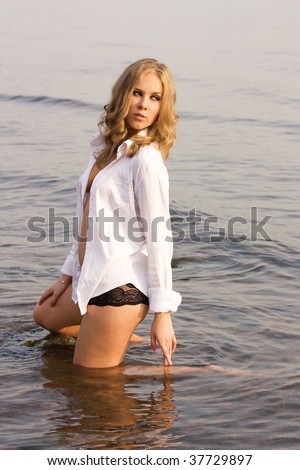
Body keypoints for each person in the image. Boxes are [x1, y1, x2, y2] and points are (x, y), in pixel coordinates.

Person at [33, 58, 182, 369]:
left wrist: (163, 315)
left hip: (119, 289)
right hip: (91, 276)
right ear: (122, 95)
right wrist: (66, 276)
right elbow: (86, 220)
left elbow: (159, 238)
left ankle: (193, 371)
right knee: (44, 314)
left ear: (162, 107)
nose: (143, 105)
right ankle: (113, 338)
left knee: (91, 387)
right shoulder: (104, 148)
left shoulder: (146, 160)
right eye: (137, 93)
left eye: (155, 98)